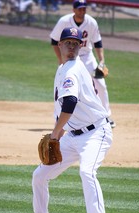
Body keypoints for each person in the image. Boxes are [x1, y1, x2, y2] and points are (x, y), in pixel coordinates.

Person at [17, 27, 115, 213]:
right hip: (73, 135)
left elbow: (69, 105)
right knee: (40, 175)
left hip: (95, 133)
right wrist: (59, 134)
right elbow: (64, 111)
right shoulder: (62, 69)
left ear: (81, 47)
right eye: (67, 43)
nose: (71, 47)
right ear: (59, 45)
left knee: (87, 172)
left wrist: (53, 135)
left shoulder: (71, 70)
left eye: (75, 44)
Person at [50, 0, 116, 128]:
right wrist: (60, 59)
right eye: (79, 9)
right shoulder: (64, 21)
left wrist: (101, 61)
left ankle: (106, 115)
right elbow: (54, 41)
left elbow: (97, 42)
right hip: (68, 57)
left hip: (86, 57)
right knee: (61, 87)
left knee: (101, 85)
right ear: (74, 9)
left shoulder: (91, 22)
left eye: (84, 9)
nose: (82, 11)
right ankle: (59, 119)